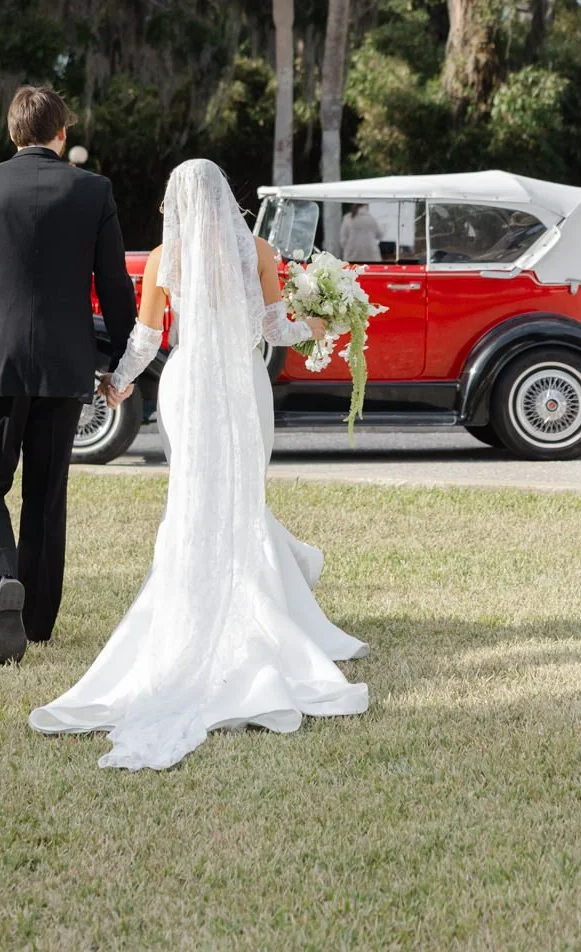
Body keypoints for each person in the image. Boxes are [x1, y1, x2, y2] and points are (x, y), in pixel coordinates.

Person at [30, 158, 368, 770]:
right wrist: (327, 319)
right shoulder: (258, 252)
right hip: (242, 384)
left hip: (187, 384)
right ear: (223, 198)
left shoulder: (165, 258)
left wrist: (120, 383)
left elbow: (147, 338)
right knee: (239, 495)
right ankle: (263, 606)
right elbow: (279, 329)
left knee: (192, 496)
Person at [0, 85, 136, 665]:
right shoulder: (93, 190)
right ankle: (36, 622)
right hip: (66, 366)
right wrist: (123, 363)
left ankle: (1, 583)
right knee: (46, 492)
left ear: (12, 134)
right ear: (61, 134)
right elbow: (115, 285)